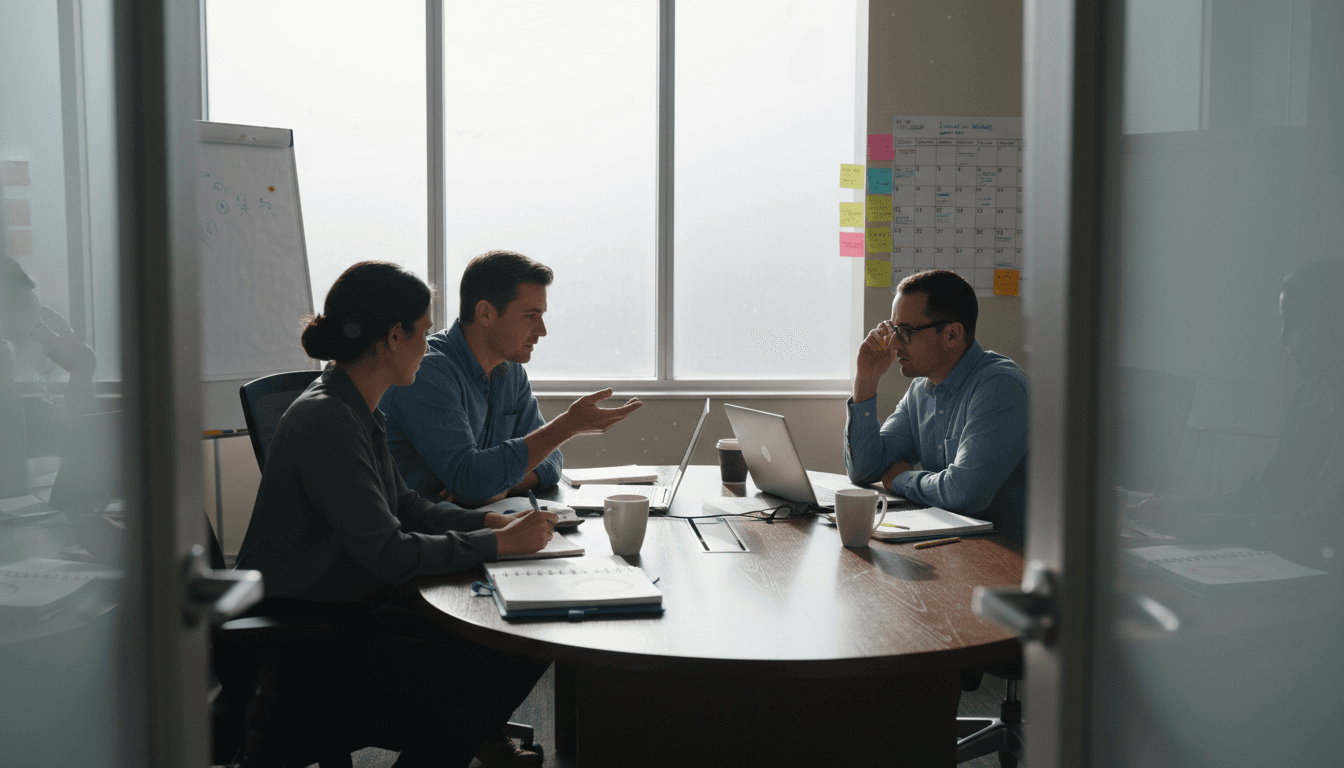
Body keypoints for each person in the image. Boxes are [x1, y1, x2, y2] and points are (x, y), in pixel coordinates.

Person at [234, 261, 555, 767]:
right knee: (496, 661)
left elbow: (404, 505)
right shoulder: (328, 421)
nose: (428, 348)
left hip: (345, 610)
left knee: (509, 643)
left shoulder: (355, 408)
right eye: (424, 333)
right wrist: (499, 544)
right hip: (310, 643)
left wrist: (487, 523)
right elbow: (387, 552)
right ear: (391, 336)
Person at [381, 249, 642, 508]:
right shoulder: (426, 372)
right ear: (485, 313)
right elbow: (471, 483)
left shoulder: (511, 372)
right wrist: (566, 426)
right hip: (419, 538)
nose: (542, 331)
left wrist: (503, 484)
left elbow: (552, 463)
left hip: (476, 528)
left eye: (541, 316)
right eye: (530, 316)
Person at [1140, 260, 1344, 569]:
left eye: (1296, 322)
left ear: (1333, 320)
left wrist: (1205, 524)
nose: (1283, 336)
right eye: (1281, 321)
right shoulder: (1308, 397)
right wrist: (1186, 508)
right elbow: (1272, 489)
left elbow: (1326, 527)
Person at [845, 269, 1030, 544]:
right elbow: (865, 470)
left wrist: (901, 480)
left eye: (906, 331)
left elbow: (964, 493)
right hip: (954, 545)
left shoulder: (1001, 387)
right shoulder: (920, 391)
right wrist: (866, 380)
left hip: (1009, 556)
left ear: (952, 335)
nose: (894, 344)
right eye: (894, 329)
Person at [0, 257, 97, 496]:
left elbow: (85, 360)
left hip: (45, 447)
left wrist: (52, 337)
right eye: (18, 304)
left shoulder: (38, 322)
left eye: (30, 301)